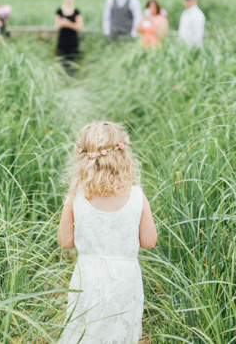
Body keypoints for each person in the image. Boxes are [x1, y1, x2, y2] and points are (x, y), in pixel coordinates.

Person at [57, 121, 157, 343]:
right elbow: (149, 241)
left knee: (84, 329)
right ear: (123, 157)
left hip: (88, 276)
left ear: (83, 159)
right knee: (120, 331)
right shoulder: (137, 197)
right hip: (124, 278)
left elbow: (64, 241)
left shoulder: (76, 197)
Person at [55, 0, 83, 72]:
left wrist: (68, 24)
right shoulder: (59, 11)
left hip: (72, 40)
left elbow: (79, 26)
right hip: (62, 40)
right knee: (61, 62)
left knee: (73, 62)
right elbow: (56, 26)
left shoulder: (76, 11)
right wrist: (62, 23)